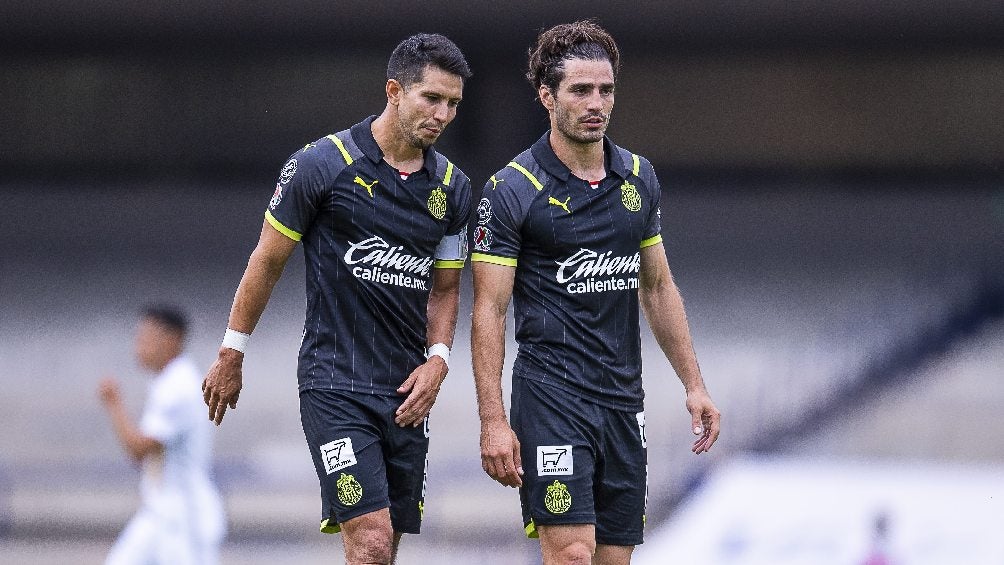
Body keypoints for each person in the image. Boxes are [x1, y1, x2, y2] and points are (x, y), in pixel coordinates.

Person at [201, 33, 473, 565]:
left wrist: (438, 360)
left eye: (454, 104)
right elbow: (267, 260)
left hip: (404, 392)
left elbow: (445, 288)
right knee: (369, 540)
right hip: (334, 384)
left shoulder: (452, 189)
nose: (443, 114)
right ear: (395, 91)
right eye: (432, 99)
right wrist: (232, 351)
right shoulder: (323, 165)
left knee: (384, 546)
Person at [471, 21, 721, 564]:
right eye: (580, 90)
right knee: (573, 556)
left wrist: (694, 384)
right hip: (552, 398)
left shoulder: (637, 178)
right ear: (546, 96)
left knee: (612, 561)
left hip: (623, 403)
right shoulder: (511, 189)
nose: (596, 103)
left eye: (605, 90)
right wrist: (493, 419)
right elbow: (488, 310)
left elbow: (657, 287)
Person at [98, 305, 226, 565]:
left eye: (146, 338)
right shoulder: (167, 381)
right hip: (159, 511)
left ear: (171, 339)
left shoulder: (178, 386)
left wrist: (114, 404)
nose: (138, 346)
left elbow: (138, 449)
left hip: (184, 516)